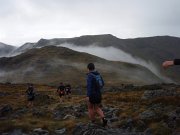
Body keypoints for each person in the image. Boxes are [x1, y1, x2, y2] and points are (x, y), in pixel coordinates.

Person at [86, 63, 107, 127]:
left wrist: (88, 96)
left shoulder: (90, 76)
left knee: (90, 108)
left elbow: (89, 87)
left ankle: (93, 121)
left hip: (92, 95)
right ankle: (103, 118)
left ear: (88, 68)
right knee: (97, 108)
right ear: (94, 67)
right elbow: (102, 84)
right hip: (98, 94)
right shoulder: (98, 74)